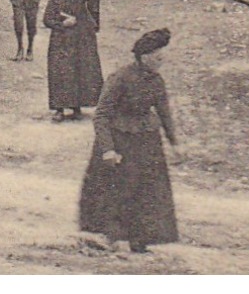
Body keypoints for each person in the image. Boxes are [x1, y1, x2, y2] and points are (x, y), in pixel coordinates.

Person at [78, 28, 182, 253]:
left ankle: (141, 239)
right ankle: (108, 236)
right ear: (144, 57)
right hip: (119, 141)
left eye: (162, 57)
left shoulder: (157, 81)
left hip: (147, 142)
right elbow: (102, 115)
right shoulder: (120, 78)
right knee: (116, 190)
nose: (161, 62)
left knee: (147, 191)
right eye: (157, 58)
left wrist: (175, 143)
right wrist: (107, 149)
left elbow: (164, 112)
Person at [42, 0, 102, 121]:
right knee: (60, 73)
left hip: (79, 40)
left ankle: (76, 107)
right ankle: (59, 109)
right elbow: (47, 20)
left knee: (78, 72)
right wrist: (62, 24)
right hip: (60, 42)